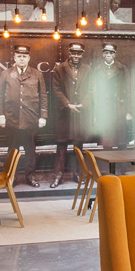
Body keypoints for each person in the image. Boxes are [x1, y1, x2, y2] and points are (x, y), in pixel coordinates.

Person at [0, 44, 47, 187]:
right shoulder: (6, 74)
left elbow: (43, 96)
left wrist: (43, 116)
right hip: (12, 119)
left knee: (30, 151)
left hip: (30, 119)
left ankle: (30, 177)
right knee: (13, 151)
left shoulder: (37, 74)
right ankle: (11, 177)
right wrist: (1, 115)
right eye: (19, 56)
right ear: (14, 57)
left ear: (29, 58)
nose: (21, 59)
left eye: (24, 56)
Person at [50, 41, 90, 188]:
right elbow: (56, 89)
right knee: (61, 145)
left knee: (78, 146)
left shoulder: (88, 70)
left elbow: (91, 89)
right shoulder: (59, 69)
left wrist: (83, 104)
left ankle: (78, 174)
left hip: (79, 113)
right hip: (64, 114)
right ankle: (58, 176)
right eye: (73, 53)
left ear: (82, 54)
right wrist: (67, 104)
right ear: (69, 53)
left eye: (79, 53)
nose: (76, 56)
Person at [87, 43, 130, 148]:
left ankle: (122, 158)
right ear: (103, 54)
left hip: (118, 107)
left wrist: (128, 111)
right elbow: (94, 90)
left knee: (121, 140)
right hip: (104, 108)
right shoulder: (97, 70)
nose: (108, 55)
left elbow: (128, 90)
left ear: (114, 55)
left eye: (111, 53)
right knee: (107, 141)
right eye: (106, 53)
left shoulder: (122, 69)